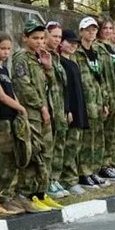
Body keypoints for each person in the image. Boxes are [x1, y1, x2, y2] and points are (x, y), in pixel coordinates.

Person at [10, 19, 63, 211]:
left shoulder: (40, 57)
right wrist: (41, 106)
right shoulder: (21, 58)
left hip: (45, 112)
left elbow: (53, 83)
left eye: (42, 38)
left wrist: (48, 67)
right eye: (35, 38)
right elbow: (24, 87)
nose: (39, 42)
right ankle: (26, 192)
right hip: (31, 113)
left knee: (46, 152)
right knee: (33, 153)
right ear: (25, 38)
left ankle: (41, 192)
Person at [0, 31, 29, 215]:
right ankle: (1, 199)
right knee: (3, 159)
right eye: (2, 48)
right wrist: (21, 108)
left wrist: (18, 108)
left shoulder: (4, 68)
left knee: (12, 158)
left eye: (8, 49)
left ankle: (9, 195)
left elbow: (10, 92)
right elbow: (1, 95)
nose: (6, 52)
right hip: (0, 117)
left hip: (10, 117)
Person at [75, 16, 110, 189]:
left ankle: (94, 170)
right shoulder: (77, 52)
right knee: (86, 140)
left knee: (97, 138)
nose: (91, 32)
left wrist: (104, 101)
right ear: (81, 31)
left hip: (97, 102)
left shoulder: (96, 52)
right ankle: (84, 172)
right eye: (88, 29)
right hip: (85, 103)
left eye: (94, 29)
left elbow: (100, 78)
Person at [95, 18, 115, 181]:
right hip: (106, 96)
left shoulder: (112, 48)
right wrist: (105, 98)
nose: (107, 31)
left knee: (114, 133)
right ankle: (103, 165)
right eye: (104, 28)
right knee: (104, 134)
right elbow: (101, 75)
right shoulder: (97, 47)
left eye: (109, 28)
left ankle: (111, 163)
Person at [58, 29, 88, 195]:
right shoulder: (60, 62)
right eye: (69, 43)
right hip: (70, 110)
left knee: (75, 145)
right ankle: (68, 179)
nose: (73, 46)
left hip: (79, 108)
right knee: (69, 146)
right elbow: (64, 89)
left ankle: (72, 177)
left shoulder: (74, 62)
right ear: (61, 43)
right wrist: (67, 109)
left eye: (75, 43)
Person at [44, 22, 71, 199]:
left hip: (60, 106)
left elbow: (63, 85)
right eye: (54, 36)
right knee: (48, 147)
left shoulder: (57, 57)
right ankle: (47, 181)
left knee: (59, 145)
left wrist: (67, 109)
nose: (57, 40)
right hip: (49, 107)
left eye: (60, 37)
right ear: (46, 36)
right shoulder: (42, 56)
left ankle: (55, 178)